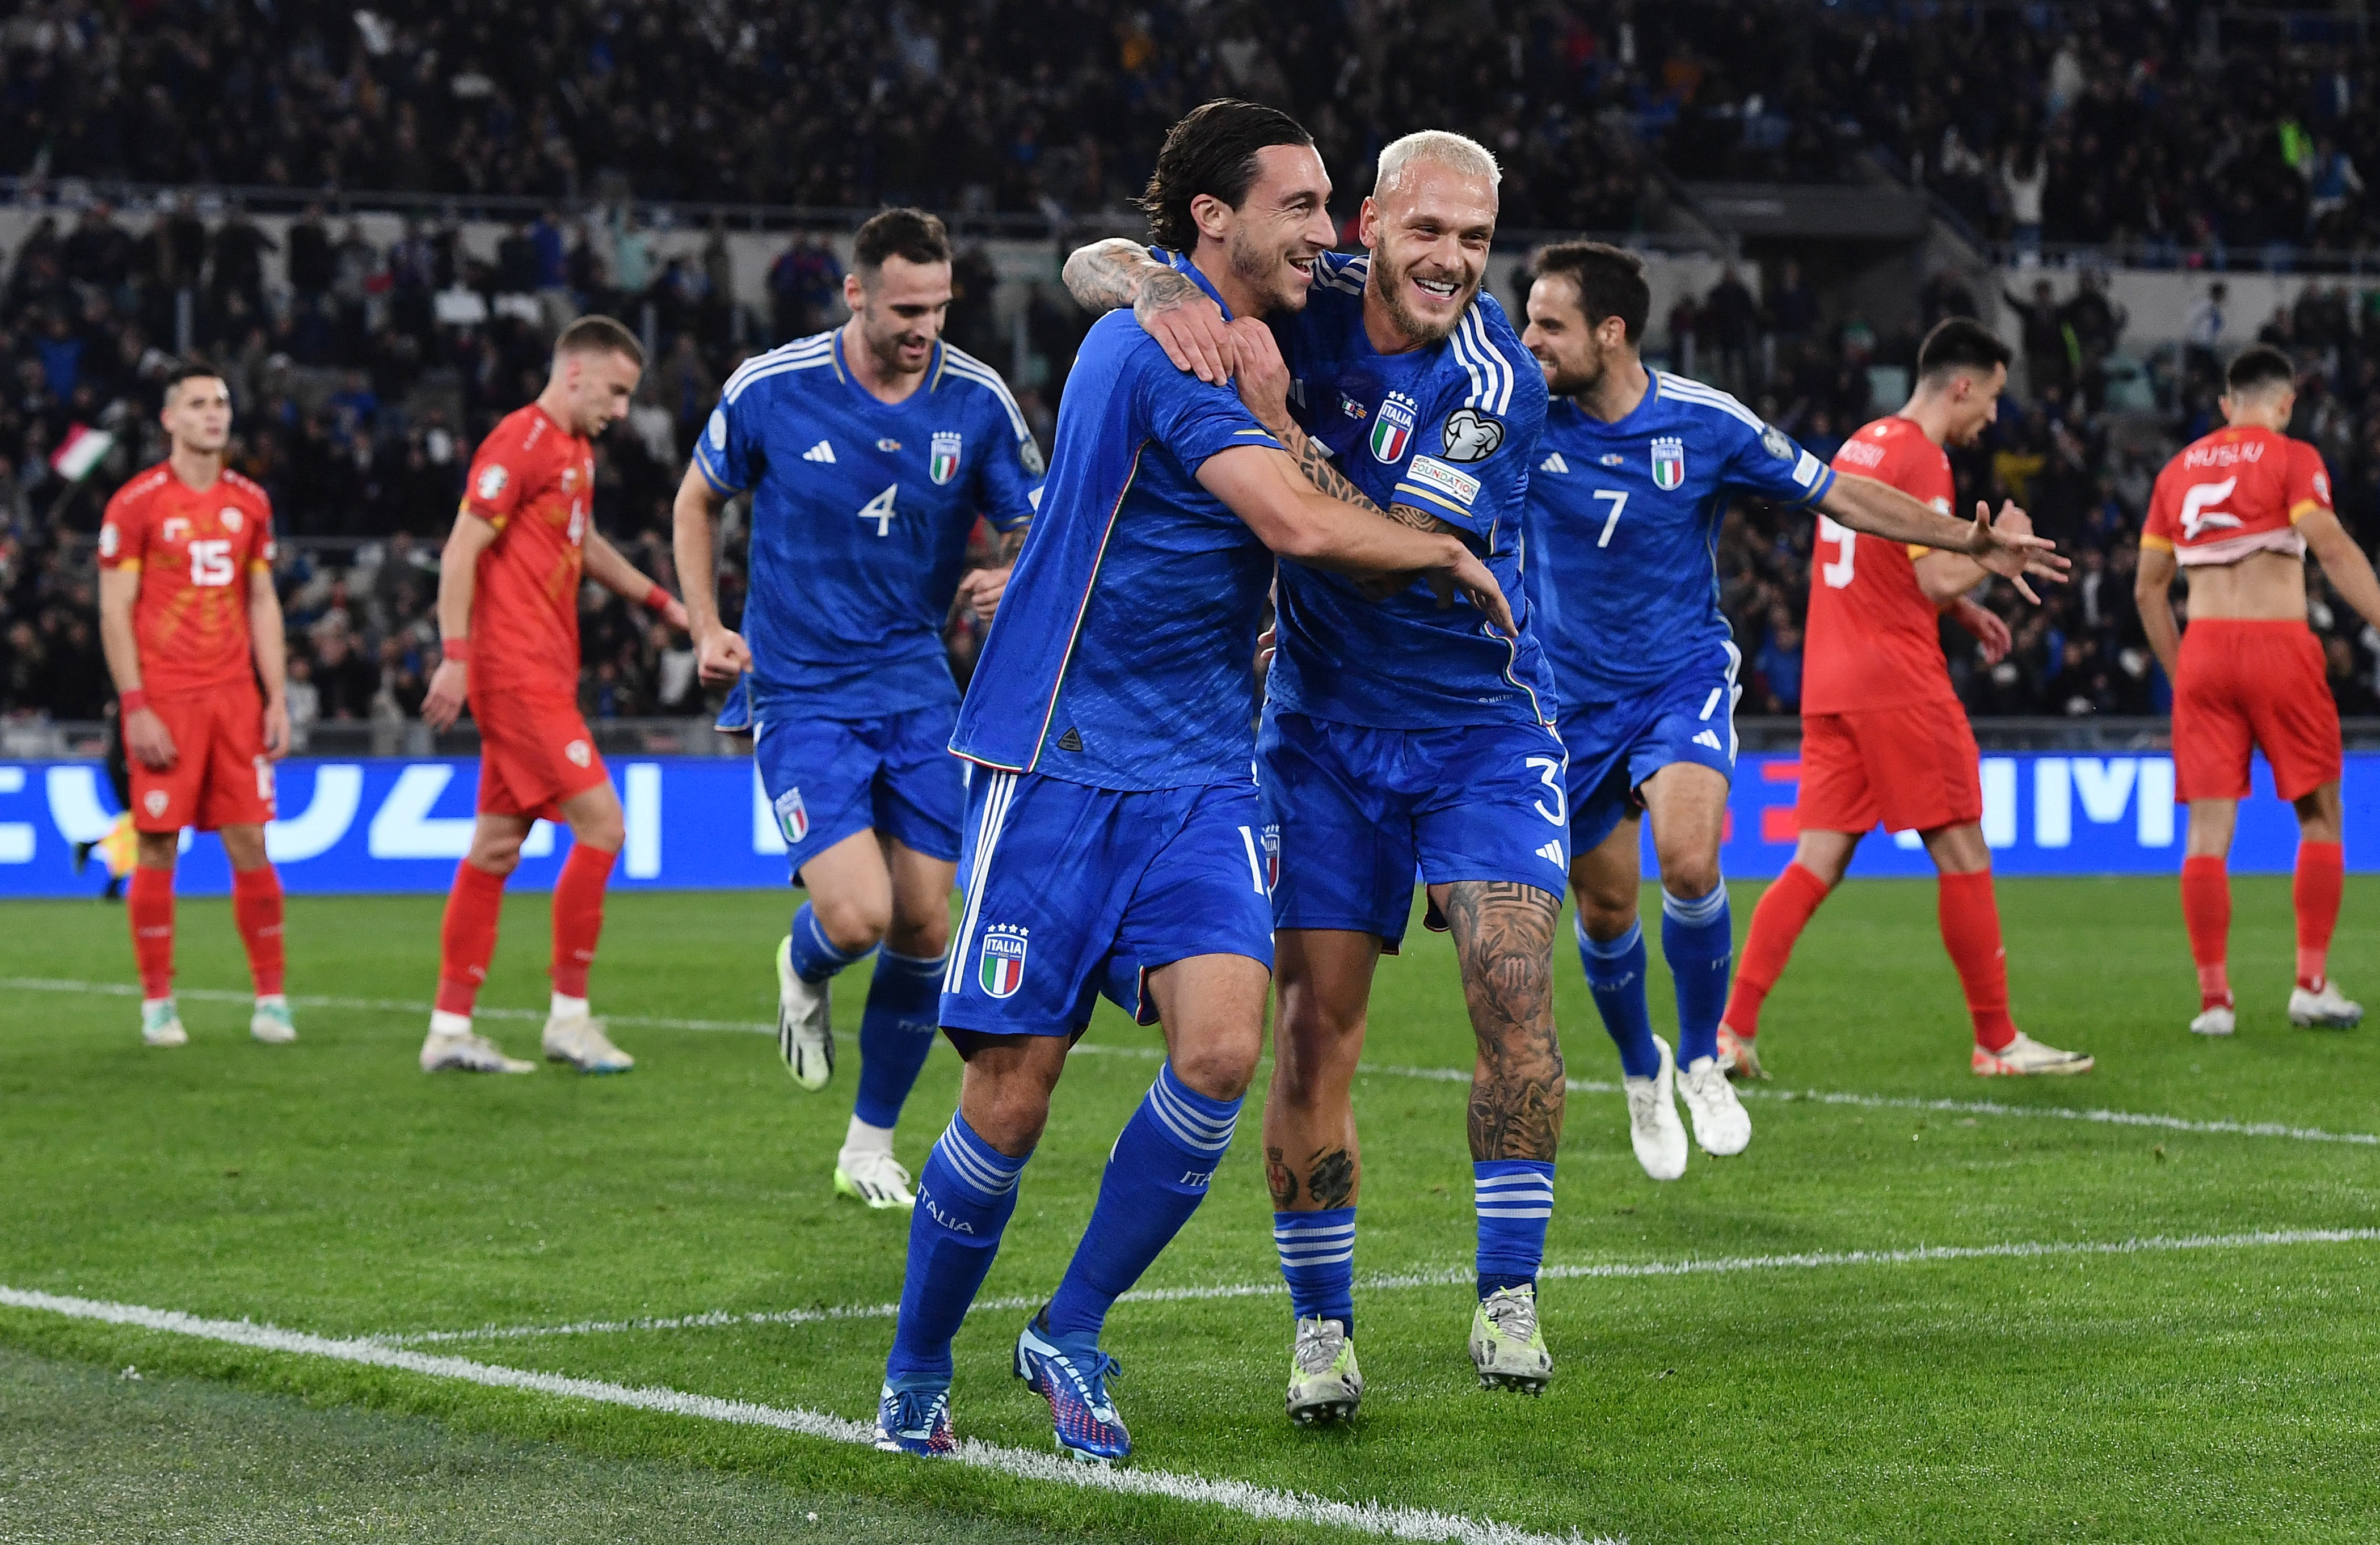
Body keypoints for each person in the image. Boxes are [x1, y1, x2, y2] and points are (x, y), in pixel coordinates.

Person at [874, 99, 1513, 1465]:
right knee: (1012, 1094)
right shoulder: (1152, 349)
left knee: (1223, 1050)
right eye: (1299, 205)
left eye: (1334, 204)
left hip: (1204, 767)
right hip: (1057, 756)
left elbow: (1118, 252)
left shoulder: (1272, 308)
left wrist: (1160, 269)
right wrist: (1446, 555)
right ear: (1217, 217)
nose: (1328, 231)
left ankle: (1072, 1328)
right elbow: (1290, 520)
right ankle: (916, 1367)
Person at [1066, 127, 1568, 1415]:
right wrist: (1161, 284)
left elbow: (1383, 539)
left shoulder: (1493, 377)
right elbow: (1096, 259)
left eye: (1474, 239)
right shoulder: (1304, 289)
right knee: (1310, 1037)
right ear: (1369, 226)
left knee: (1510, 989)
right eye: (1428, 231)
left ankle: (1505, 1289)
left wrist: (1273, 412)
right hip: (1318, 734)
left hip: (1475, 729)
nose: (1451, 260)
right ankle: (1320, 1327)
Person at [1522, 269, 2073, 1190]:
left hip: (1679, 678)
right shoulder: (1521, 416)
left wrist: (1961, 539)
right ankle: (1642, 1068)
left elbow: (1839, 494)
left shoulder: (1706, 422)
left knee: (1694, 861)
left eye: (1549, 324)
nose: (1530, 340)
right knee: (1608, 909)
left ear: (1611, 331)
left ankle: (1704, 1053)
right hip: (1572, 698)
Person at [672, 208, 1041, 1210]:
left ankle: (868, 1144)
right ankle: (802, 962)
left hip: (920, 688)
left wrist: (1011, 571)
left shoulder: (973, 399)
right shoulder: (773, 387)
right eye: (906, 308)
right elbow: (697, 497)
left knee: (927, 925)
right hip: (801, 689)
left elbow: (1036, 522)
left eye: (939, 306)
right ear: (856, 294)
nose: (924, 326)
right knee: (859, 913)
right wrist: (707, 624)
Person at [1720, 319, 2091, 1078]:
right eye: (1988, 398)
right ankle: (1996, 1042)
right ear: (1961, 385)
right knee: (1962, 851)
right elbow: (1927, 576)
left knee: (1813, 861)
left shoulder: (1864, 441)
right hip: (1895, 681)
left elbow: (1883, 559)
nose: (1990, 415)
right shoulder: (1923, 458)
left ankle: (1733, 1032)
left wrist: (1961, 608)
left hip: (1830, 682)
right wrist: (1994, 553)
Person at [417, 316, 688, 1075]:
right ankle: (569, 1019)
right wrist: (454, 657)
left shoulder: (572, 453)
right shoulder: (520, 441)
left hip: (541, 670)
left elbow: (584, 543)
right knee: (602, 826)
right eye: (616, 391)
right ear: (575, 374)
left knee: (496, 848)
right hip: (516, 674)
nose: (623, 410)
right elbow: (461, 548)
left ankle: (447, 1029)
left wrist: (662, 604)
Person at [2134, 344, 2380, 1036]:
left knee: (2207, 833)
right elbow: (2328, 545)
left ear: (2223, 404)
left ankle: (2214, 1003)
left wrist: (2184, 674)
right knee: (2320, 814)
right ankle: (2309, 984)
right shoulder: (2291, 456)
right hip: (2277, 644)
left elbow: (2147, 590)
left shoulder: (2175, 471)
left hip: (2205, 649)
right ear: (2285, 402)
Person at [95, 363, 295, 1048]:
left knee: (250, 842)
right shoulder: (137, 504)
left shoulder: (251, 503)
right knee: (156, 845)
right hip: (167, 700)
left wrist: (277, 696)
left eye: (223, 403)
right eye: (199, 404)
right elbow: (115, 611)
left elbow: (262, 601)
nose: (215, 414)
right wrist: (136, 707)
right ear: (169, 420)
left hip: (236, 698)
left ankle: (271, 999)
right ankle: (158, 1003)